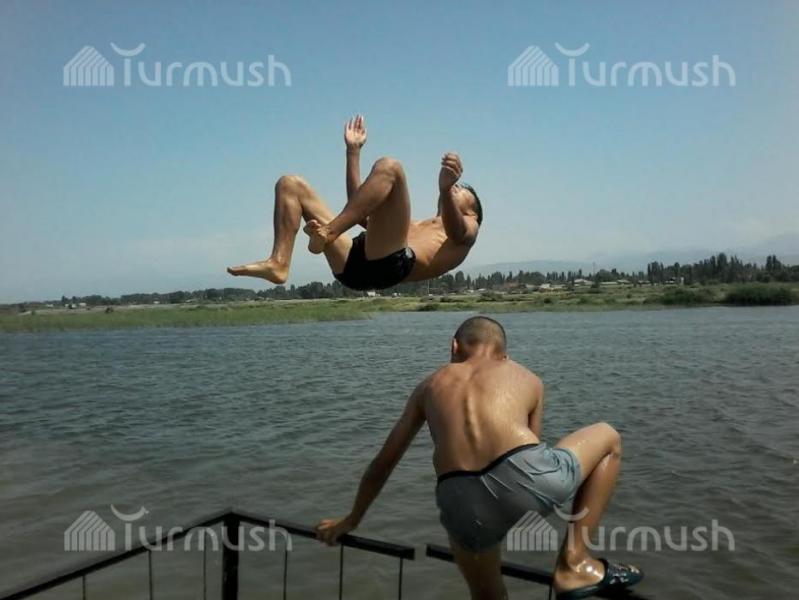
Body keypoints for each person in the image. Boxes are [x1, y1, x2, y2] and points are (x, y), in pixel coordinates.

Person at [315, 316, 643, 599]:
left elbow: (383, 463)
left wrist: (351, 520)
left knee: (487, 595)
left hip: (458, 496)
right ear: (504, 354)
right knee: (608, 436)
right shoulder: (527, 377)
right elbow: (535, 447)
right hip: (524, 475)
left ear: (454, 346)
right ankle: (574, 563)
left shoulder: (428, 385)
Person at [227, 115, 482, 290]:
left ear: (473, 210)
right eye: (456, 185)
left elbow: (457, 231)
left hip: (390, 266)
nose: (457, 186)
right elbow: (359, 207)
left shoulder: (469, 226)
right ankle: (279, 262)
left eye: (463, 188)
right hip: (352, 264)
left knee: (390, 167)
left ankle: (327, 233)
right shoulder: (412, 225)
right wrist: (353, 152)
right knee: (289, 184)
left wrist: (445, 188)